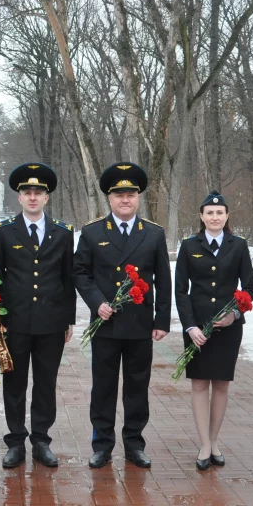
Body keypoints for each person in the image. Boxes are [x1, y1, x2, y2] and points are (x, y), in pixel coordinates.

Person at [73, 162, 171, 469]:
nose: (125, 199)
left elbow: (163, 279)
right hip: (106, 323)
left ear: (138, 197)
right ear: (110, 198)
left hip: (139, 324)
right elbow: (80, 273)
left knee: (137, 387)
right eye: (119, 195)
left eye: (130, 194)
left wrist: (162, 320)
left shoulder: (153, 233)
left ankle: (134, 444)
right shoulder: (92, 232)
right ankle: (102, 445)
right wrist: (96, 303)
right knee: (103, 387)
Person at [0, 163, 76, 469]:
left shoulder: (63, 232)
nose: (33, 197)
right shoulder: (3, 231)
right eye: (27, 192)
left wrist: (69, 319)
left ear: (47, 197)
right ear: (19, 197)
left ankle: (41, 440)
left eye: (38, 192)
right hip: (15, 321)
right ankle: (15, 441)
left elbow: (68, 277)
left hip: (51, 321)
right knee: (14, 383)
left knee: (45, 383)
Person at [174, 190, 253, 470]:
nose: (215, 217)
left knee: (221, 384)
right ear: (201, 216)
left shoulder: (239, 245)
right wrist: (190, 326)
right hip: (197, 327)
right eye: (209, 213)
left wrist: (235, 314)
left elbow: (249, 288)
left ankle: (214, 440)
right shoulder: (189, 245)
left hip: (228, 329)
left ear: (227, 215)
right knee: (199, 384)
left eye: (219, 213)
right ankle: (204, 444)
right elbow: (181, 291)